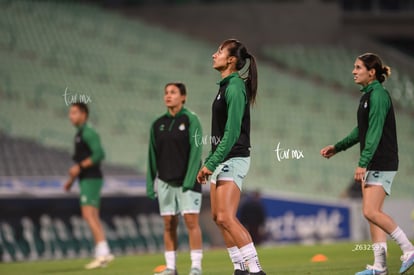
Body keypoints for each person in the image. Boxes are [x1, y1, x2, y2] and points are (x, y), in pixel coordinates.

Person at [320, 53, 414, 275]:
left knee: (371, 211)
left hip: (381, 160)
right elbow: (361, 131)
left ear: (371, 72)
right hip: (375, 160)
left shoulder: (379, 96)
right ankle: (380, 266)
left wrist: (363, 162)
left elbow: (374, 132)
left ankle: (408, 248)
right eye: (354, 67)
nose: (354, 71)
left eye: (358, 67)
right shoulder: (367, 96)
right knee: (371, 214)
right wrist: (338, 147)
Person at [197, 39, 266, 275]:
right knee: (218, 217)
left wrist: (212, 163)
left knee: (226, 217)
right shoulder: (225, 86)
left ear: (231, 60)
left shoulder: (235, 87)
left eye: (218, 51)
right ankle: (239, 268)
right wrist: (209, 162)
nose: (213, 55)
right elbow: (218, 132)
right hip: (221, 159)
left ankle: (255, 270)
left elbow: (232, 132)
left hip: (233, 158)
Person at [147, 82, 204, 275]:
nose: (168, 96)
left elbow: (196, 152)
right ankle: (171, 268)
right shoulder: (157, 123)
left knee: (191, 222)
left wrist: (189, 180)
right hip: (164, 181)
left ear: (183, 97)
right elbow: (152, 155)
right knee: (168, 224)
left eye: (173, 92)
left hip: (187, 181)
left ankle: (196, 267)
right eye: (166, 93)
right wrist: (150, 182)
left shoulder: (191, 119)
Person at [64, 102, 114, 269]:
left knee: (88, 215)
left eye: (74, 113)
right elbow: (78, 165)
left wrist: (79, 167)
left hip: (91, 178)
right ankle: (101, 253)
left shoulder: (88, 132)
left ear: (84, 114)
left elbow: (99, 153)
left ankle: (104, 252)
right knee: (93, 216)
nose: (71, 116)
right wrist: (71, 181)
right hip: (87, 178)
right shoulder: (79, 134)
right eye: (70, 113)